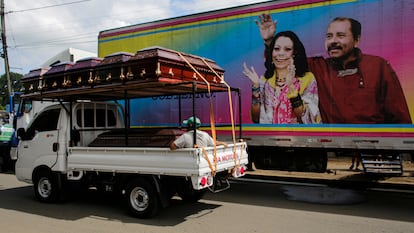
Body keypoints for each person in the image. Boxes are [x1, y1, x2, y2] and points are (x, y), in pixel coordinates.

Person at [256, 14, 412, 124]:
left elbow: (398, 113)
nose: (333, 41)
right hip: (334, 145)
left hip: (374, 148)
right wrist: (270, 41)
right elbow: (283, 61)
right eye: (329, 36)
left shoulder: (378, 66)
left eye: (340, 35)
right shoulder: (318, 68)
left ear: (357, 40)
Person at [242, 30, 321, 124]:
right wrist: (255, 87)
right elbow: (256, 119)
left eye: (287, 49)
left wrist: (291, 86)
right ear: (271, 53)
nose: (280, 53)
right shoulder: (265, 80)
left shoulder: (307, 79)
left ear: (294, 53)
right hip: (270, 138)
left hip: (299, 138)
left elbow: (310, 119)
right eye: (276, 49)